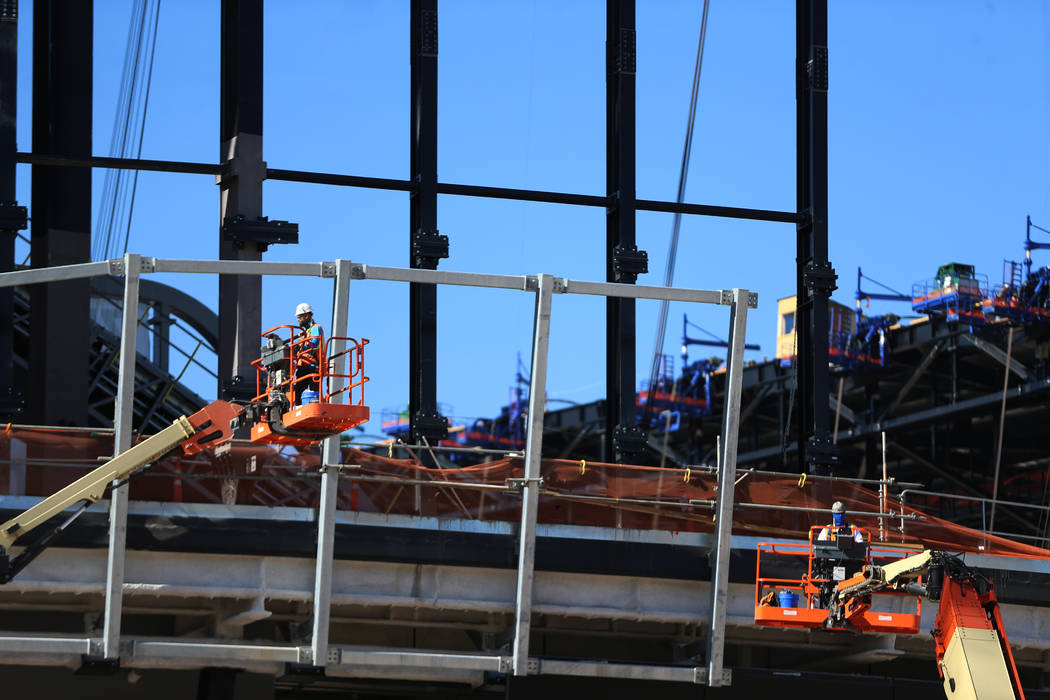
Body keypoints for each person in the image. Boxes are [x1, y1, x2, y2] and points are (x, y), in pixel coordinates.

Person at [293, 302, 324, 404]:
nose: (298, 319)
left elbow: (314, 343)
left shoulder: (315, 328)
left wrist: (300, 347)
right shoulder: (303, 333)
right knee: (297, 394)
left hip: (313, 366)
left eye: (300, 317)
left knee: (314, 395)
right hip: (303, 367)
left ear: (307, 316)